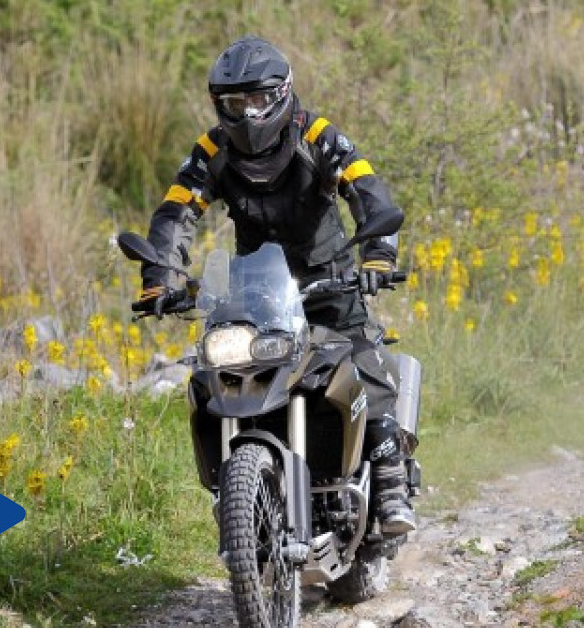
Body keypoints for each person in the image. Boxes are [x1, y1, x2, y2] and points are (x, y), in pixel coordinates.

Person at [136, 34, 416, 535]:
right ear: (218, 105)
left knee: (362, 357)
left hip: (330, 281)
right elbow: (176, 212)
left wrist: (377, 256)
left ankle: (391, 482)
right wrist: (160, 277)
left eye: (258, 100)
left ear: (282, 94)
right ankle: (246, 496)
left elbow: (367, 191)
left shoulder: (318, 135)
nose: (247, 114)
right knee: (222, 373)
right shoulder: (212, 150)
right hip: (258, 291)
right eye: (234, 104)